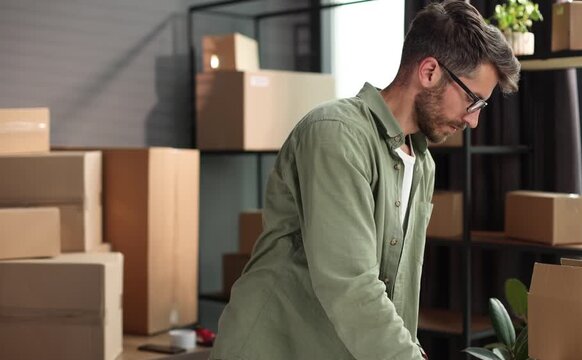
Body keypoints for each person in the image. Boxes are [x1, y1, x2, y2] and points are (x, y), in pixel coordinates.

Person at [211, 1, 520, 359]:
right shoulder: (337, 134)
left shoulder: (421, 164)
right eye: (473, 101)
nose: (473, 121)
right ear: (430, 71)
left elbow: (397, 289)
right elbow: (350, 283)